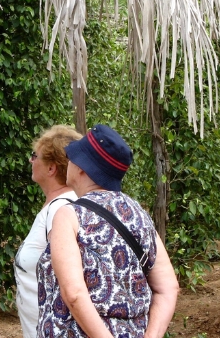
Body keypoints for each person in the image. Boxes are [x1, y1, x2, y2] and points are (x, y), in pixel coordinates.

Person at [37, 124, 179, 338]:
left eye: (73, 157)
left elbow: (74, 294)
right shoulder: (139, 214)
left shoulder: (69, 216)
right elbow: (168, 288)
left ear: (82, 168)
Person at [14, 125, 82, 338]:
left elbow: (72, 285)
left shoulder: (60, 210)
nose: (30, 161)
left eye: (35, 156)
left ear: (51, 168)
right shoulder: (56, 206)